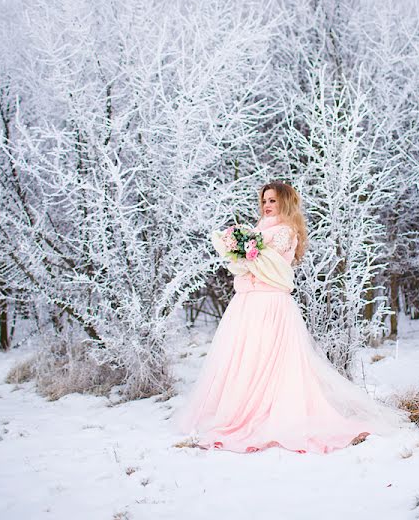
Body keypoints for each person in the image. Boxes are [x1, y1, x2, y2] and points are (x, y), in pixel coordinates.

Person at [172, 180, 405, 454]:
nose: (267, 206)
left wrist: (246, 255)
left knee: (270, 361)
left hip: (270, 305)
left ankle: (271, 413)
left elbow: (270, 267)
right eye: (264, 201)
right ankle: (240, 408)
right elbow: (245, 266)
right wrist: (238, 252)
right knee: (246, 358)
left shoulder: (285, 232)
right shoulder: (257, 231)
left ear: (285, 202)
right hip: (247, 304)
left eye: (272, 200)